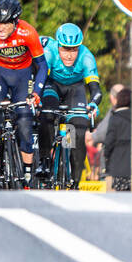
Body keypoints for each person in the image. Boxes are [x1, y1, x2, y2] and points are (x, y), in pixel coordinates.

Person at [0, 0, 46, 185]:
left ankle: (28, 171)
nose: (0, 28)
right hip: (0, 74)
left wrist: (36, 93)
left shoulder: (28, 33)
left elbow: (43, 66)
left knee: (24, 122)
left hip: (23, 76)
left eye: (5, 24)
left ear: (15, 21)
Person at [38, 22, 102, 185]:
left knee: (78, 130)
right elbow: (40, 79)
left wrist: (94, 104)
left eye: (73, 49)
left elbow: (95, 89)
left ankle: (74, 179)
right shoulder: (49, 52)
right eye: (65, 48)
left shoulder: (86, 57)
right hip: (52, 86)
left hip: (75, 89)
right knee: (47, 115)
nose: (69, 55)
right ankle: (44, 162)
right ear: (58, 45)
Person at [101, 87, 132, 191]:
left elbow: (109, 141)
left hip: (118, 165)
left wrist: (106, 154)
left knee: (120, 195)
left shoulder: (115, 118)